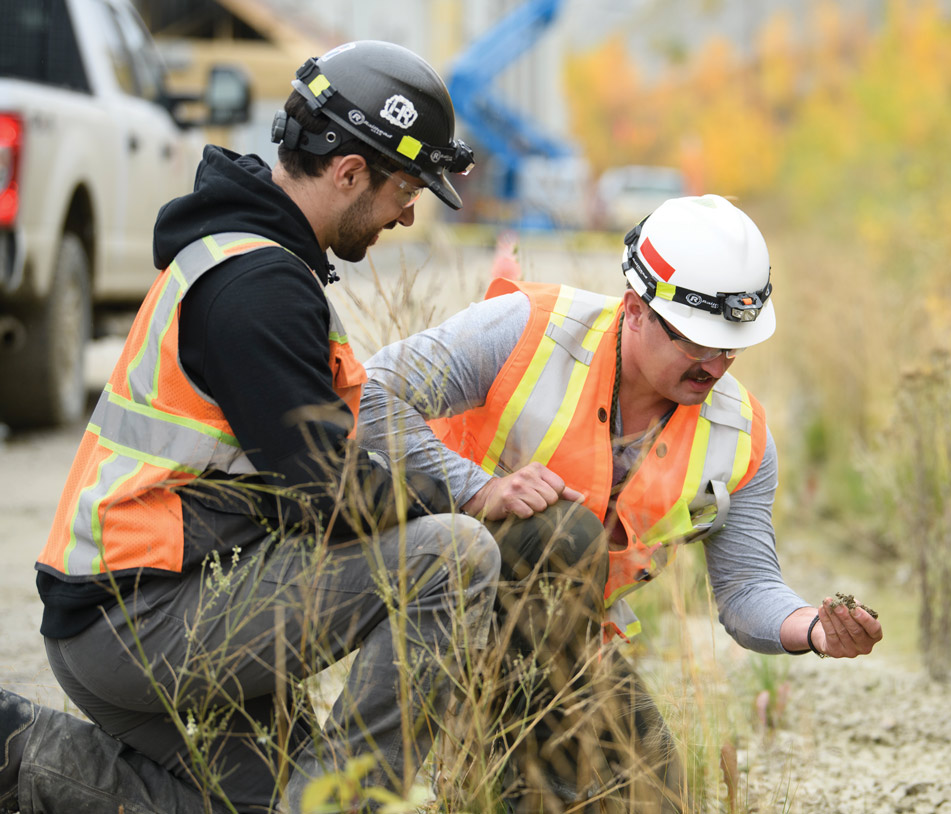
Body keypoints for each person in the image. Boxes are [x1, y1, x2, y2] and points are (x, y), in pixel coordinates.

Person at [0, 40, 501, 814]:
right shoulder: (258, 286)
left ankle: (25, 756)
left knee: (265, 800)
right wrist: (467, 500)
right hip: (141, 619)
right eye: (407, 188)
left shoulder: (246, 258)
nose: (408, 213)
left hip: (125, 610)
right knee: (454, 557)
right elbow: (330, 498)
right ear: (349, 173)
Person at [359, 193, 884, 811]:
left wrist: (815, 630)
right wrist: (479, 488)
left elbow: (745, 591)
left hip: (564, 643)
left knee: (664, 801)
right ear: (635, 308)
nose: (716, 363)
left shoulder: (742, 438)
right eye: (697, 341)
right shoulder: (528, 330)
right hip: (432, 596)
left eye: (732, 345)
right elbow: (371, 396)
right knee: (560, 533)